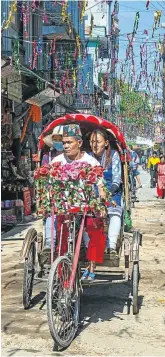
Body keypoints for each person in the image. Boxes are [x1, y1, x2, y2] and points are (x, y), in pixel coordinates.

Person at [41, 124, 106, 280]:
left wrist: (101, 203)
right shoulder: (57, 161)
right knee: (62, 241)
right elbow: (49, 186)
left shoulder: (91, 162)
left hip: (86, 207)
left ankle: (91, 267)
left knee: (96, 230)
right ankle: (61, 274)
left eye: (69, 142)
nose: (66, 146)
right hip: (64, 208)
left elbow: (101, 187)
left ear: (79, 143)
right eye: (64, 143)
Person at [89, 129, 122, 254]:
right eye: (92, 142)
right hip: (92, 191)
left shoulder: (113, 155)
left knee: (114, 212)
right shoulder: (87, 156)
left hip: (112, 191)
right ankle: (90, 246)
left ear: (106, 143)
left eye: (98, 141)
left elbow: (116, 179)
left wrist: (107, 193)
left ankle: (111, 246)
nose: (94, 145)